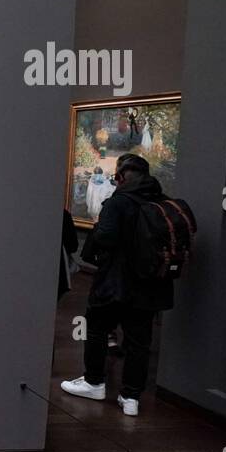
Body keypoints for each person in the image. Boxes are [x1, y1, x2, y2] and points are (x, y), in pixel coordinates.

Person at [61, 155, 175, 418]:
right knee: (139, 341)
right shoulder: (161, 201)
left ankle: (94, 382)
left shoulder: (119, 202)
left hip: (115, 283)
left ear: (122, 176)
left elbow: (105, 238)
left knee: (98, 328)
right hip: (150, 287)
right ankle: (132, 397)